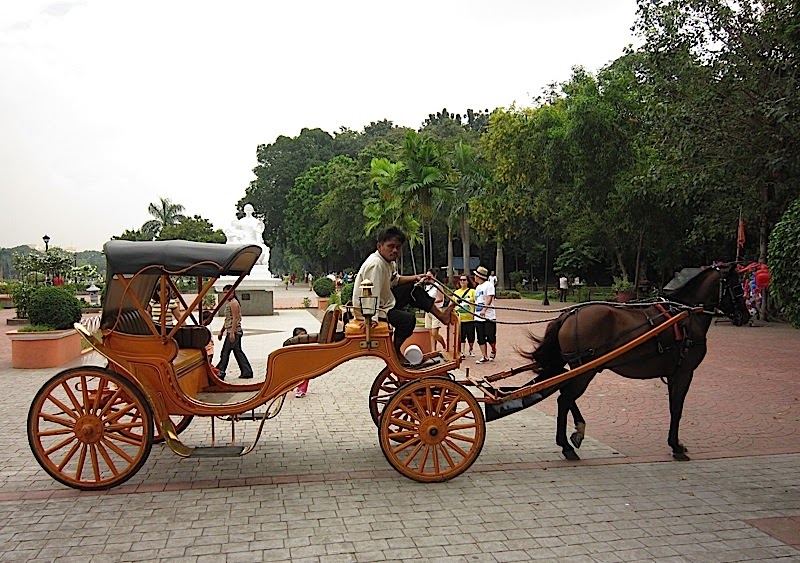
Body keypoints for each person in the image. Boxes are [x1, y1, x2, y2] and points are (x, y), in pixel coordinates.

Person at [353, 226, 455, 357]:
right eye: (390, 246)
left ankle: (441, 316)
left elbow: (395, 280)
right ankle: (394, 352)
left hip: (384, 303)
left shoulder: (388, 262)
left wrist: (417, 277)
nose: (395, 250)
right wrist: (371, 319)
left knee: (413, 288)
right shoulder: (376, 265)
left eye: (398, 247)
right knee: (408, 320)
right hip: (371, 310)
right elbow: (372, 293)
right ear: (379, 246)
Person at [215, 284, 254, 380]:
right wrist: (222, 331)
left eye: (227, 292)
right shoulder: (230, 303)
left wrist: (232, 333)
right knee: (237, 352)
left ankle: (220, 371)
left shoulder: (234, 303)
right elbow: (228, 319)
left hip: (235, 331)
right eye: (224, 292)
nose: (225, 294)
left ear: (232, 292)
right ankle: (246, 371)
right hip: (231, 330)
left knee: (225, 352)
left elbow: (235, 318)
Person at [473, 266, 497, 364]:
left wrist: (484, 309)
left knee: (490, 336)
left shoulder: (489, 285)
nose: (474, 277)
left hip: (489, 316)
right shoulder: (478, 287)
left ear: (479, 276)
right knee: (480, 337)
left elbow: (489, 298)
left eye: (475, 275)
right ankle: (484, 356)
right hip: (477, 316)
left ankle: (493, 348)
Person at [453, 273, 476, 359]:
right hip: (460, 318)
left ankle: (471, 348)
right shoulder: (456, 292)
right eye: (461, 280)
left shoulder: (472, 291)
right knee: (461, 336)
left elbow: (476, 302)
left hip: (470, 318)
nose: (462, 281)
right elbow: (452, 304)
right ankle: (462, 352)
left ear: (468, 281)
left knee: (471, 336)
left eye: (464, 280)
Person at [424, 269, 447, 350]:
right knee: (431, 333)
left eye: (429, 276)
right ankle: (433, 350)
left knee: (434, 333)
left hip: (436, 310)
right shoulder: (427, 286)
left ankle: (444, 344)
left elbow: (441, 298)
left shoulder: (438, 285)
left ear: (434, 276)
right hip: (428, 310)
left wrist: (430, 302)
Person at [290, 327, 310, 397]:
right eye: (301, 335)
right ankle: (296, 387)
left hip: (304, 363)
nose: (303, 337)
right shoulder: (293, 343)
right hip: (296, 363)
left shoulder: (306, 343)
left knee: (305, 377)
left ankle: (302, 390)